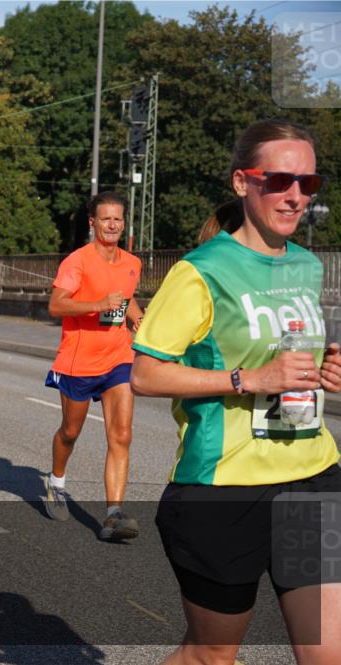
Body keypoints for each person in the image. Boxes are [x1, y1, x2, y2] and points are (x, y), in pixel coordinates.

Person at [131, 119, 340, 664]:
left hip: (311, 477)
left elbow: (295, 358)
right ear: (242, 182)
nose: (295, 196)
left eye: (308, 185)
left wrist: (329, 370)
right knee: (211, 655)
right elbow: (145, 375)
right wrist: (250, 380)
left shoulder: (308, 267)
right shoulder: (201, 272)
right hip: (224, 490)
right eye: (279, 181)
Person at [42, 191, 144, 541]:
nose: (112, 224)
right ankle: (56, 482)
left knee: (122, 434)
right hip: (79, 361)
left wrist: (136, 317)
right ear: (93, 223)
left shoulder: (132, 263)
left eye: (117, 218)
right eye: (105, 219)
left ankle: (114, 513)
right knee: (70, 432)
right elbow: (57, 305)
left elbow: (127, 298)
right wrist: (99, 303)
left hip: (118, 358)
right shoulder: (77, 261)